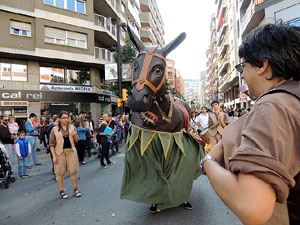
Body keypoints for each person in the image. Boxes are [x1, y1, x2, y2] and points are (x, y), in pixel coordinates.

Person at [201, 24, 300, 225]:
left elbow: (252, 206)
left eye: (242, 66)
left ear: (262, 65)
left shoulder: (272, 105)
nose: (243, 75)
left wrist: (208, 162)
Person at [49, 111, 81, 199]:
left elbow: (76, 140)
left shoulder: (72, 127)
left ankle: (76, 189)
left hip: (71, 151)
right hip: (59, 152)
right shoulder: (54, 129)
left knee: (73, 170)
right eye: (63, 118)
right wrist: (54, 156)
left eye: (67, 117)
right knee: (60, 171)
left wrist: (74, 135)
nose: (66, 119)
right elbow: (51, 144)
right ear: (59, 119)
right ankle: (61, 191)